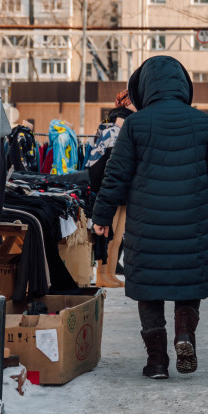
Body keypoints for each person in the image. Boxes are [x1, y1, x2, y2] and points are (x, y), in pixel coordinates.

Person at [92, 56, 208, 379]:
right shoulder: (203, 123)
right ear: (183, 85)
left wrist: (102, 215)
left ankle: (156, 362)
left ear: (145, 88)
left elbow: (116, 175)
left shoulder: (136, 124)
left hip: (146, 226)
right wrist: (200, 202)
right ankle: (185, 334)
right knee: (188, 282)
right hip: (191, 224)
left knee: (149, 289)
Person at [86, 89, 135, 288]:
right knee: (109, 233)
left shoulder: (127, 120)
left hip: (122, 183)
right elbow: (109, 158)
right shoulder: (118, 121)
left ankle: (110, 273)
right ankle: (102, 275)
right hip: (111, 183)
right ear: (126, 102)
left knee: (118, 234)